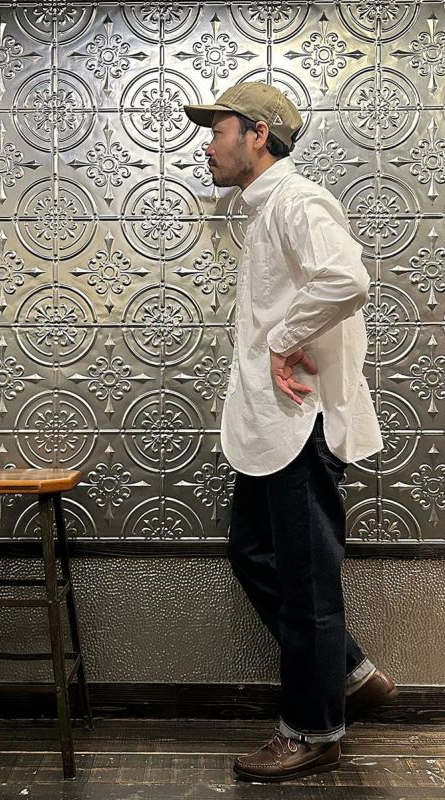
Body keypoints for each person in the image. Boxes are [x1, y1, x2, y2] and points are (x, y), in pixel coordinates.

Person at [183, 82, 394, 783]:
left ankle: (313, 731)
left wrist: (282, 340)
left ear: (258, 135)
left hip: (301, 429)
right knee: (253, 554)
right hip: (272, 431)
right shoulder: (266, 208)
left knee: (308, 589)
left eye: (219, 130)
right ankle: (351, 675)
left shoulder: (298, 201)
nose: (208, 145)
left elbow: (346, 279)